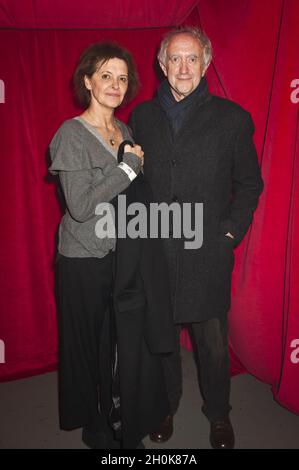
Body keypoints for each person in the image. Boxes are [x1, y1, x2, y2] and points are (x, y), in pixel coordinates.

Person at [129, 27, 264, 449]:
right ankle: (164, 405)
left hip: (207, 253)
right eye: (175, 58)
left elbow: (249, 185)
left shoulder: (233, 118)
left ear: (206, 64)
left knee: (212, 346)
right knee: (161, 341)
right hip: (155, 249)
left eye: (192, 59)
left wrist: (229, 233)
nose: (183, 67)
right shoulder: (142, 118)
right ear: (161, 64)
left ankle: (219, 414)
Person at [49, 41, 173, 449]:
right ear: (88, 81)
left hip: (121, 258)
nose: (115, 85)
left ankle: (118, 413)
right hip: (82, 258)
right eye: (106, 76)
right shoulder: (71, 133)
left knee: (117, 343)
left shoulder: (124, 131)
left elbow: (129, 194)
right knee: (87, 347)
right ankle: (95, 426)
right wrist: (127, 167)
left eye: (122, 78)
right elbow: (82, 207)